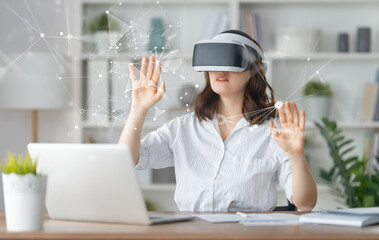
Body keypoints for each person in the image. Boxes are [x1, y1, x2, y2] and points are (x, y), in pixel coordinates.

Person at [119, 29, 317, 212]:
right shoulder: (183, 128)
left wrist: (296, 154)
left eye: (229, 60)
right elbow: (126, 161)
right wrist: (138, 110)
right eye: (214, 61)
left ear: (255, 71)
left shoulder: (274, 133)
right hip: (192, 233)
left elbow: (305, 202)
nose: (220, 69)